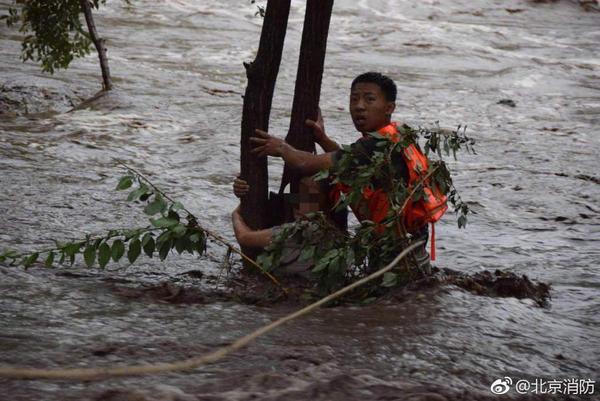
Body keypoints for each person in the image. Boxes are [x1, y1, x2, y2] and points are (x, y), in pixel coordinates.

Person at [247, 72, 447, 272]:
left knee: (316, 177)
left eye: (369, 99)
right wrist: (323, 140)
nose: (359, 106)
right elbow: (349, 160)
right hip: (410, 249)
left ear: (389, 108)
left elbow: (306, 164)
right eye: (354, 99)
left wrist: (282, 148)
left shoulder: (375, 145)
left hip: (397, 260)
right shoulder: (398, 136)